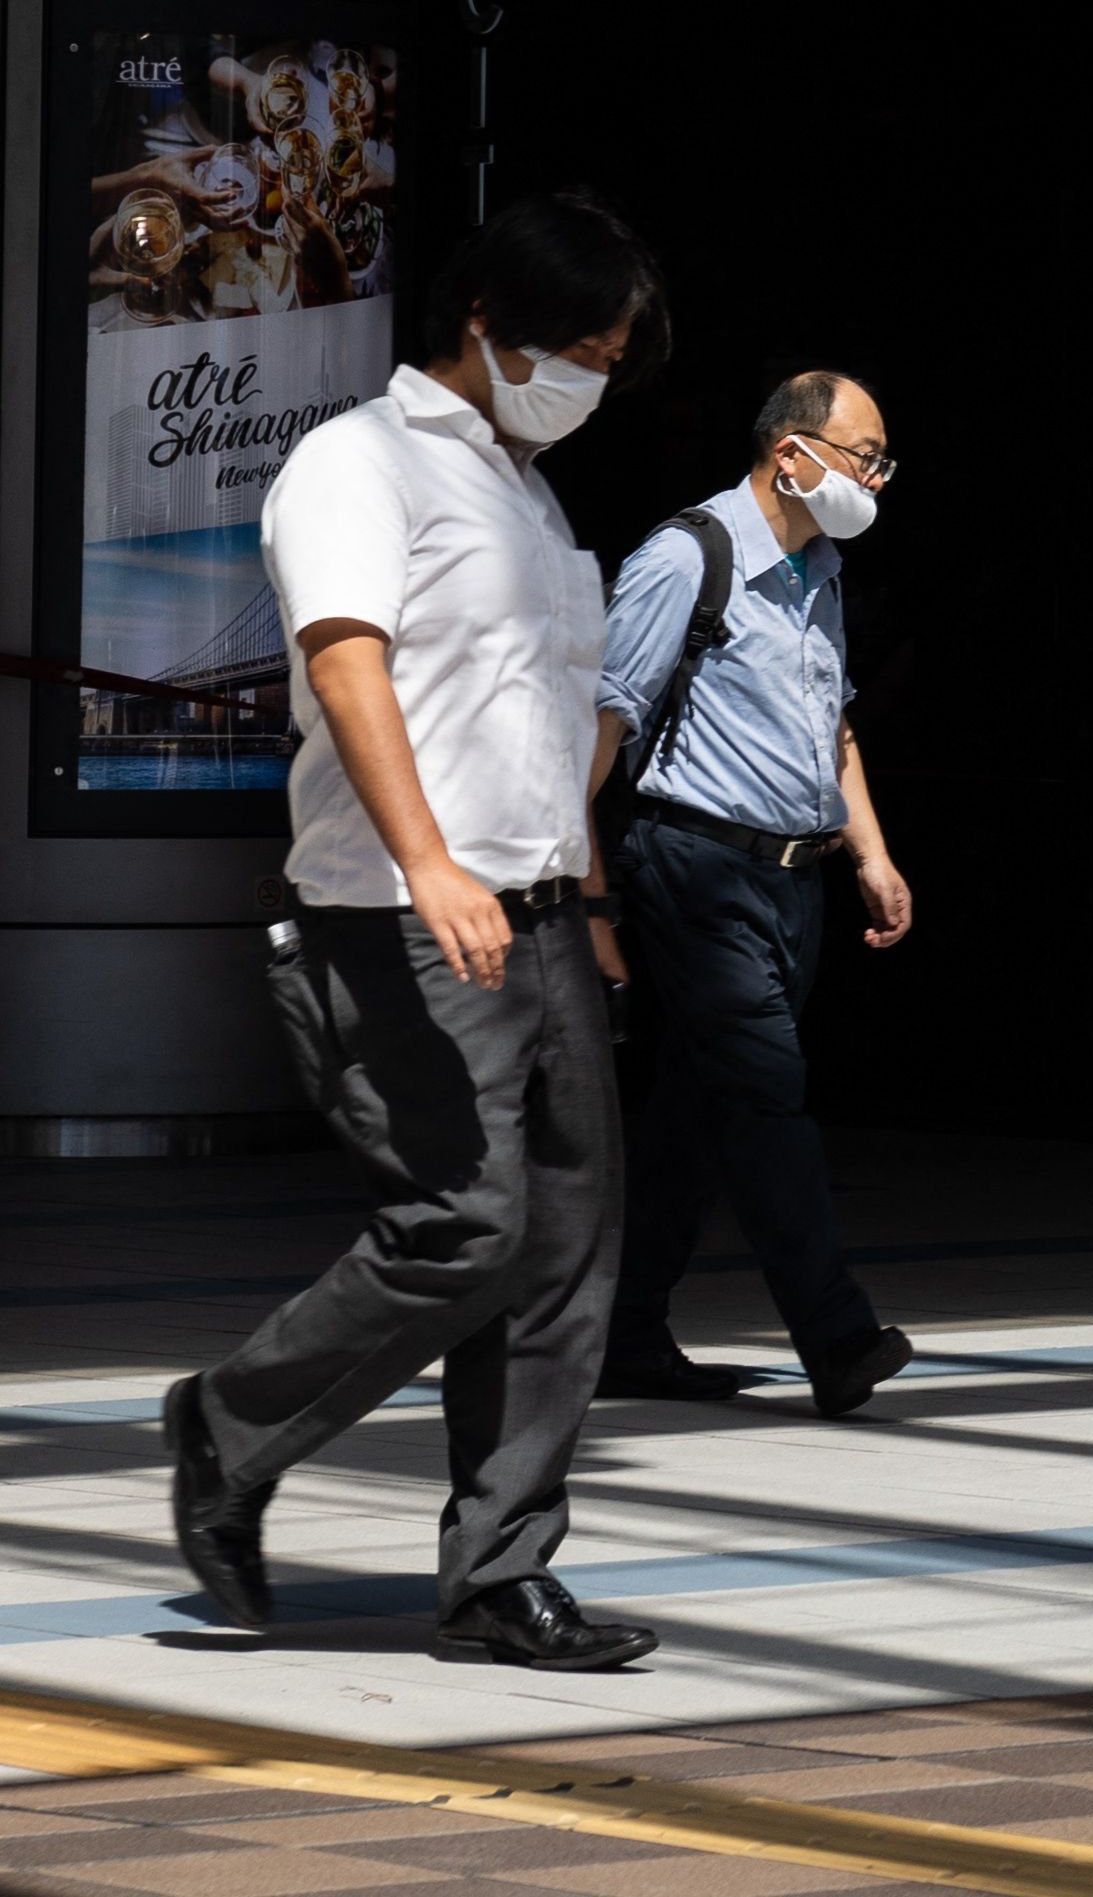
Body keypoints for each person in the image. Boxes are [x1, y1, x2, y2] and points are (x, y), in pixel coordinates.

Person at [163, 192, 670, 1671]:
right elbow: (347, 665)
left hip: (542, 916)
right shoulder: (354, 463)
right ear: (483, 323)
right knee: (469, 1224)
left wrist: (583, 891)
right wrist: (431, 858)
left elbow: (541, 718)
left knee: (570, 1246)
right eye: (576, 347)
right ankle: (228, 1423)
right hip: (394, 913)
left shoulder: (527, 489)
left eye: (609, 357)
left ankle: (502, 1572)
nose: (588, 379)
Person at [587, 369, 917, 1419]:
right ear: (793, 454)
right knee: (769, 1094)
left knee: (696, 1107)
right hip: (695, 867)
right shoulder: (687, 556)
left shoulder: (818, 564)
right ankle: (836, 1335)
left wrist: (870, 851)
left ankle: (625, 1334)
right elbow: (599, 722)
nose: (873, 478)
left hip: (793, 877)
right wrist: (587, 893)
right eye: (864, 456)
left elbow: (835, 723)